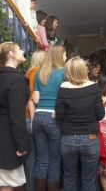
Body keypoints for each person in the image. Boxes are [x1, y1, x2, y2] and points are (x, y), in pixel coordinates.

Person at [55, 56, 105, 191]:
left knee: (69, 176)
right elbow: (100, 115)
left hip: (68, 139)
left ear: (68, 71)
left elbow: (59, 115)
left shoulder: (63, 88)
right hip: (90, 138)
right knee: (89, 178)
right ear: (84, 70)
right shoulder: (94, 88)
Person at [32, 46, 66, 191]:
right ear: (59, 56)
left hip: (39, 116)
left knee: (41, 160)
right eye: (65, 54)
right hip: (54, 117)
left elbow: (35, 99)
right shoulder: (64, 73)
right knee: (55, 161)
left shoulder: (39, 73)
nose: (66, 57)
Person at [0, 42, 31, 191]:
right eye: (19, 49)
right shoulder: (15, 80)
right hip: (7, 140)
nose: (22, 51)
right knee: (7, 185)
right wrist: (22, 144)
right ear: (11, 54)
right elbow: (16, 117)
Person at [25, 50, 46, 191]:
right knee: (34, 157)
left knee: (33, 156)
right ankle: (32, 188)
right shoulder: (35, 72)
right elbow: (33, 98)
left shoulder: (29, 71)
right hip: (30, 117)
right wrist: (33, 120)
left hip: (27, 116)